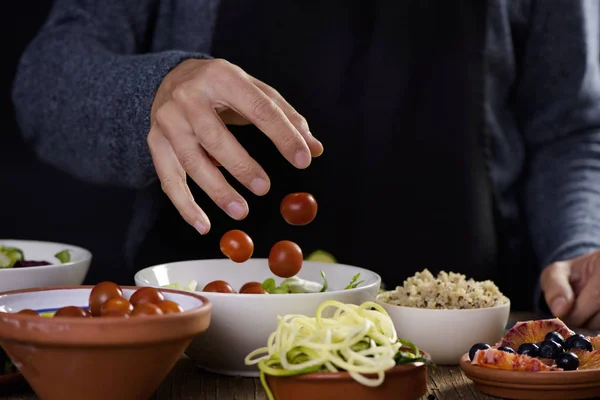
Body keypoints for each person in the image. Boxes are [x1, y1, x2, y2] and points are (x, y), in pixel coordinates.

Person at [11, 0, 600, 328]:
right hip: (197, 348)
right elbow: (43, 84)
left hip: (457, 347)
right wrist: (154, 92)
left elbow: (567, 129)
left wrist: (576, 246)